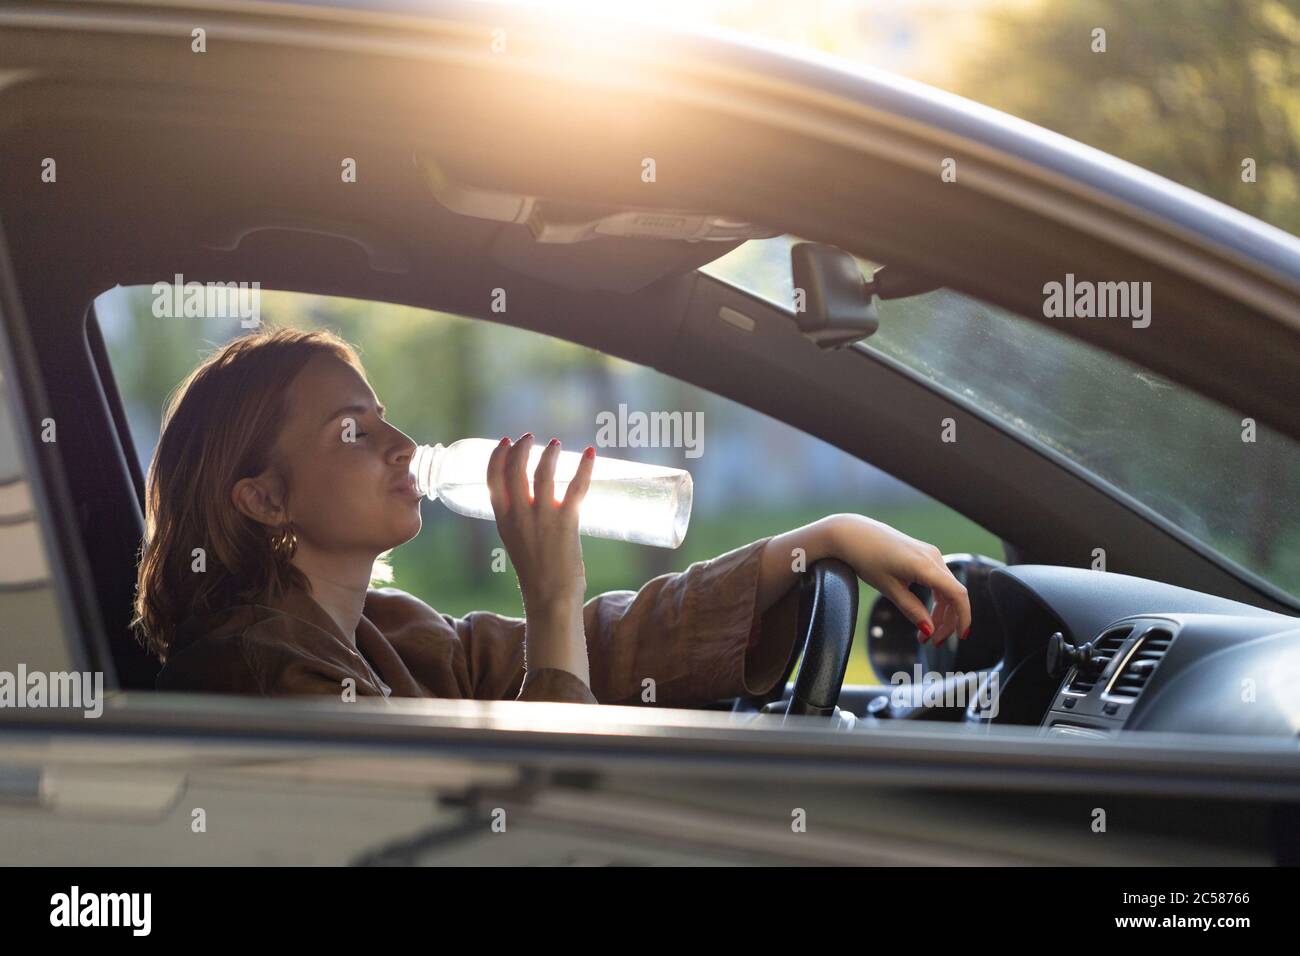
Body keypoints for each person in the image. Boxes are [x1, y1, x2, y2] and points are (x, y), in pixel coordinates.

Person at [137, 328, 970, 706]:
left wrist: (814, 542)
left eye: (384, 415)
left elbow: (609, 648)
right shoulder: (265, 675)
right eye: (353, 430)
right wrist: (551, 602)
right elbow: (523, 824)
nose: (399, 443)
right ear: (265, 498)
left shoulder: (381, 632)